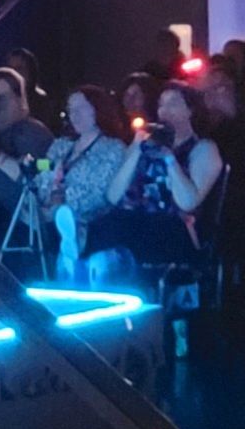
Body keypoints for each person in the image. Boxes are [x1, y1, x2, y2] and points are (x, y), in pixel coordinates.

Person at [81, 83, 223, 288]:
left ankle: (104, 260)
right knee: (107, 222)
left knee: (133, 230)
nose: (165, 110)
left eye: (173, 103)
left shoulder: (203, 149)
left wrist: (169, 159)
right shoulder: (145, 144)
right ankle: (83, 260)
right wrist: (137, 150)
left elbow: (188, 202)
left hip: (173, 226)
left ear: (190, 110)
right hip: (132, 219)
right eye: (161, 104)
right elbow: (113, 195)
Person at [37, 86, 132, 280]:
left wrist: (63, 201)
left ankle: (72, 237)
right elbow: (42, 175)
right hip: (47, 213)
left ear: (97, 109)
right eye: (71, 109)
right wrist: (51, 193)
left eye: (81, 108)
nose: (75, 115)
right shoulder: (60, 145)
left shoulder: (113, 148)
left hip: (89, 218)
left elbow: (99, 192)